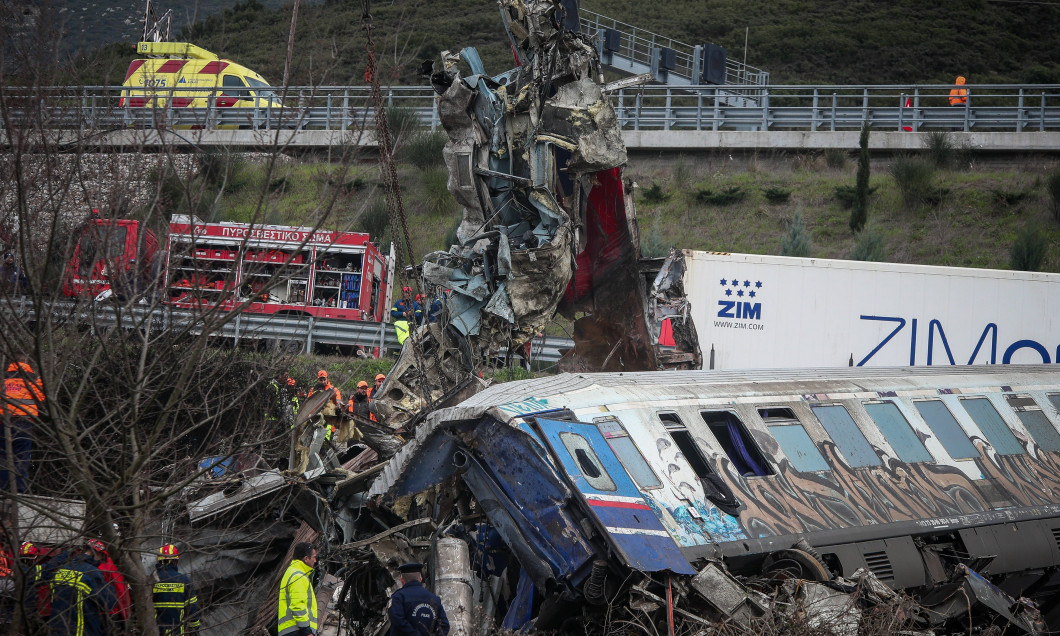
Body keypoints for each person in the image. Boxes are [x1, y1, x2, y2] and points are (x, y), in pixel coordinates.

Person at [46, 545, 116, 636]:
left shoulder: (63, 568)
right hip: (81, 630)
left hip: (57, 629)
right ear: (98, 554)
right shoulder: (93, 573)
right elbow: (110, 603)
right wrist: (109, 587)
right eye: (102, 557)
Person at [2, 355, 44, 493]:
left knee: (3, 458)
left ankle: (1, 488)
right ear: (26, 362)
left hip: (3, 422)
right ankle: (19, 491)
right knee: (21, 458)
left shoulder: (3, 378)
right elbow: (42, 398)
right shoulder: (34, 379)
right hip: (24, 423)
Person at [388, 562, 449, 636]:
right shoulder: (435, 599)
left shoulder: (398, 597)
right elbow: (444, 625)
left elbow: (398, 621)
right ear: (420, 579)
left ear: (402, 580)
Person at [153, 543, 200, 636]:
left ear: (159, 561)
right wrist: (194, 631)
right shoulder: (184, 581)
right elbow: (193, 610)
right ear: (175, 561)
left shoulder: (150, 580)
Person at [277, 542, 318, 636]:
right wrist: (307, 631)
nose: (315, 560)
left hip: (291, 630)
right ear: (306, 559)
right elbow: (297, 605)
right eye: (314, 557)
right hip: (297, 630)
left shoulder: (292, 572)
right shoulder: (298, 576)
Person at [86, 539, 131, 623]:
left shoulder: (108, 567)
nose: (88, 555)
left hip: (107, 613)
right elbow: (121, 591)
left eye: (90, 553)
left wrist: (125, 616)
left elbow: (121, 591)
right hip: (97, 612)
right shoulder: (107, 566)